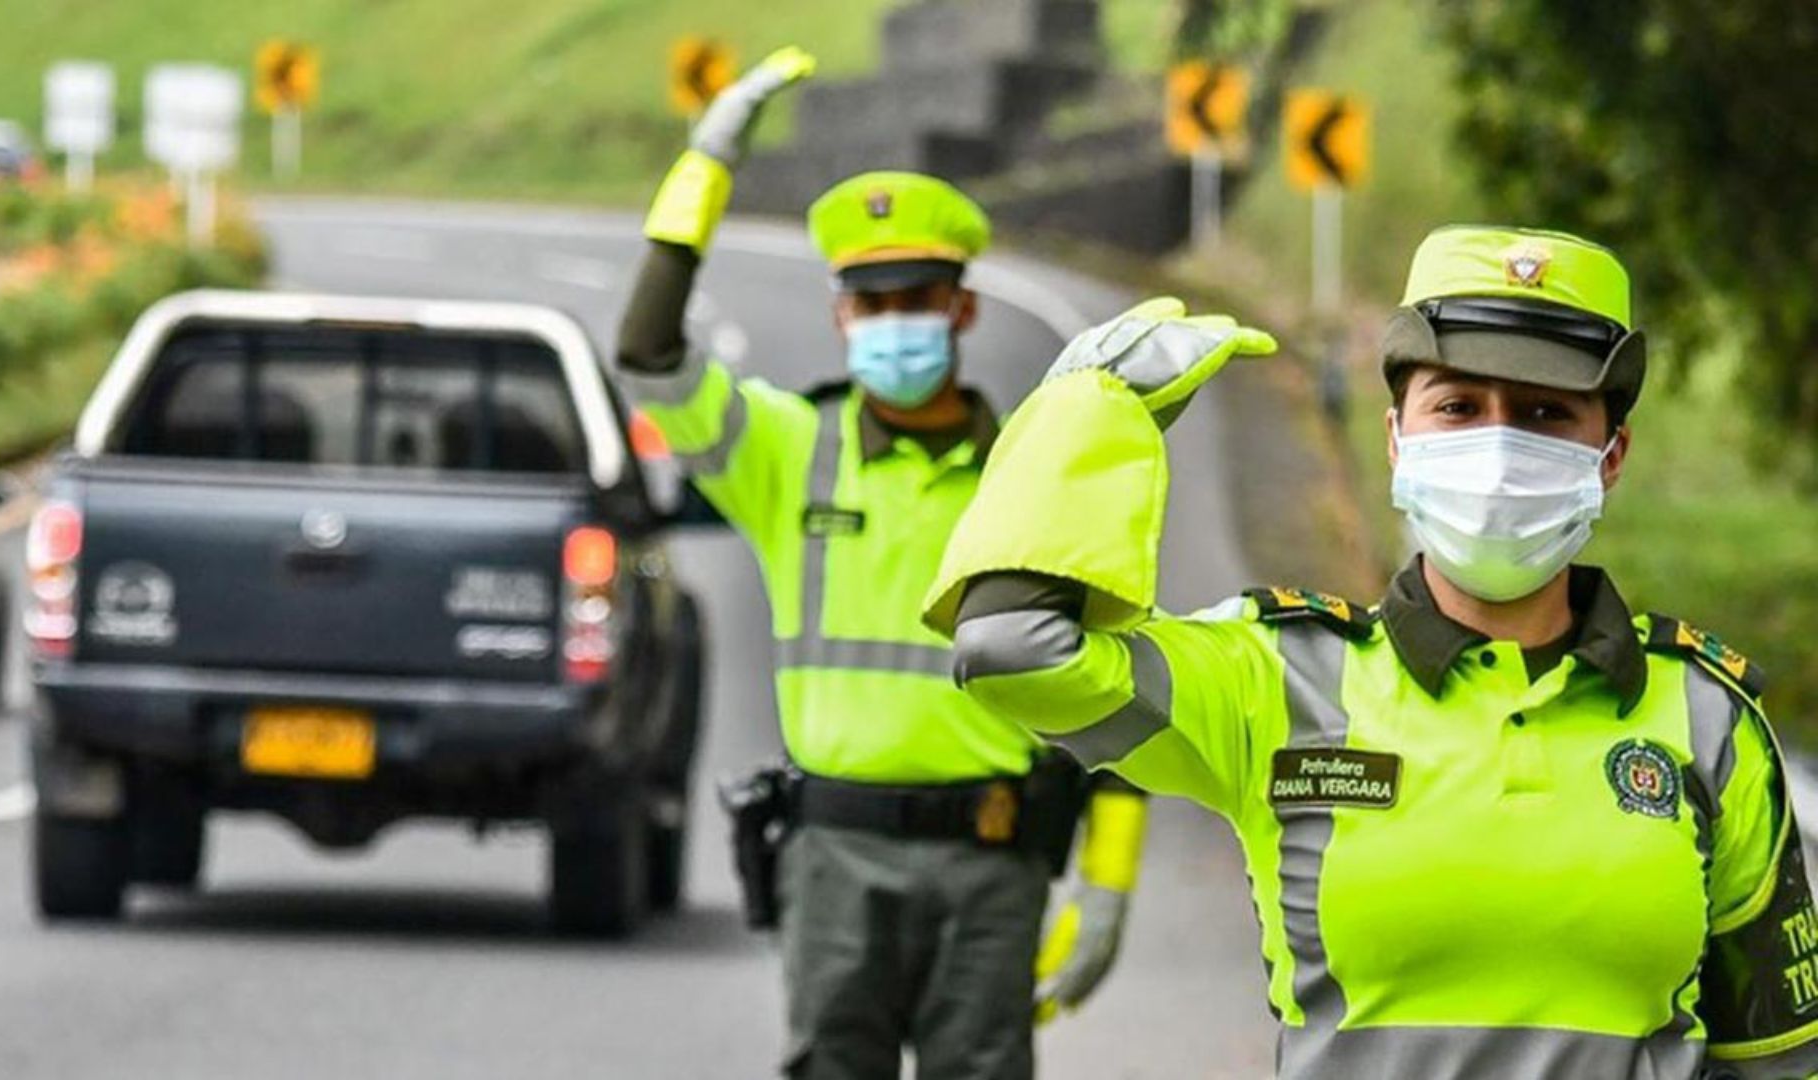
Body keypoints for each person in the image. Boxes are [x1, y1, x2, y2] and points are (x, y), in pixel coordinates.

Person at [922, 225, 1818, 1079]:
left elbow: (1781, 1058)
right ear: (1395, 442)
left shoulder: (1707, 720)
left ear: (1610, 455)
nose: (1499, 447)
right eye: (1458, 407)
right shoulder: (1282, 679)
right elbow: (1013, 649)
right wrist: (1087, 414)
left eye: (1547, 413)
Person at [615, 48, 1149, 1080]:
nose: (893, 321)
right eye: (871, 303)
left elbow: (1121, 701)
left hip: (994, 862)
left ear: (963, 310)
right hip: (834, 860)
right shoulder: (784, 450)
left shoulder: (1037, 477)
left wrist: (1110, 885)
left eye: (917, 298)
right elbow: (646, 353)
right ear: (838, 316)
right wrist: (703, 173)